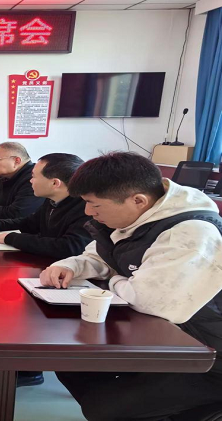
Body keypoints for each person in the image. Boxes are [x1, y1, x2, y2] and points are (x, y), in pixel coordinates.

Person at [39, 152, 222, 421]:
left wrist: (112, 280)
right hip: (164, 338)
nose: (88, 212)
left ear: (138, 200)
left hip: (208, 356)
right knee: (70, 365)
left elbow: (150, 302)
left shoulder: (191, 233)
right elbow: (99, 256)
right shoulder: (136, 219)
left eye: (94, 204)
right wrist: (70, 266)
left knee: (105, 408)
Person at [0, 153, 91, 259]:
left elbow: (70, 247)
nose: (30, 181)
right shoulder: (52, 200)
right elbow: (30, 223)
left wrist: (11, 238)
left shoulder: (88, 207)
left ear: (55, 183)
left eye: (34, 177)